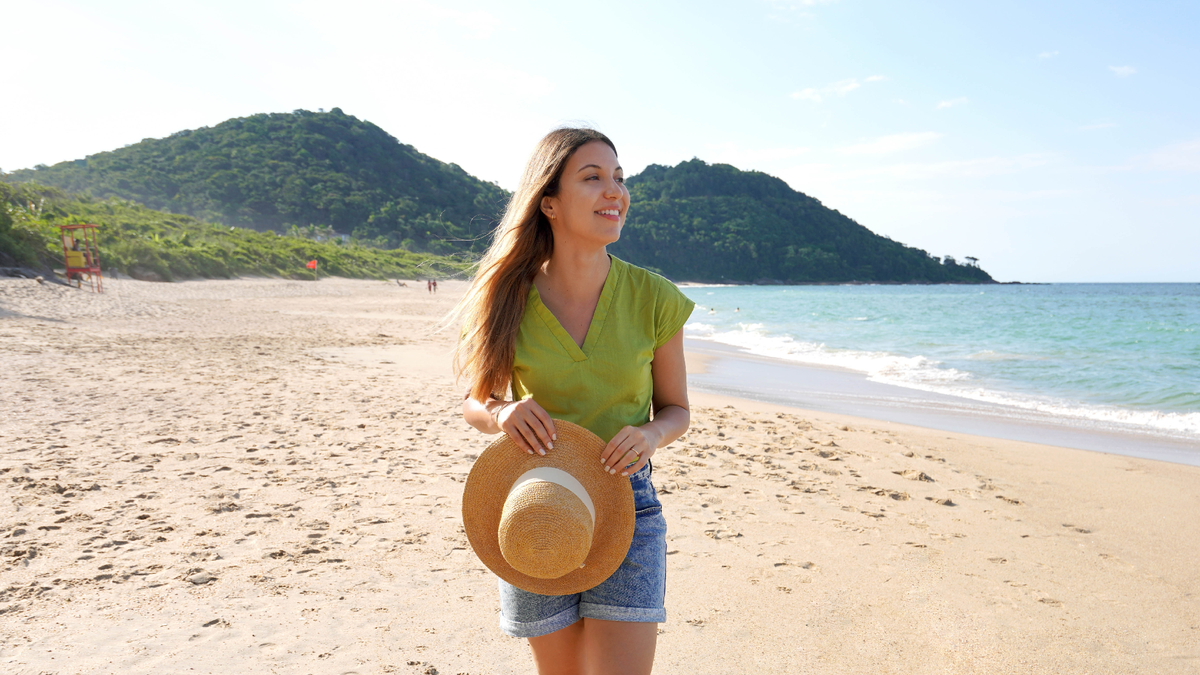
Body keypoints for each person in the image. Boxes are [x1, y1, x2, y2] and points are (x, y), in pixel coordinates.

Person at [451, 128, 694, 675]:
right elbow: (475, 401)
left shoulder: (655, 298)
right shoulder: (507, 298)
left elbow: (676, 410)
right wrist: (502, 411)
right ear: (550, 204)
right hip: (535, 504)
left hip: (627, 503)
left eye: (619, 178)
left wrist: (652, 434)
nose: (615, 191)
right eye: (593, 178)